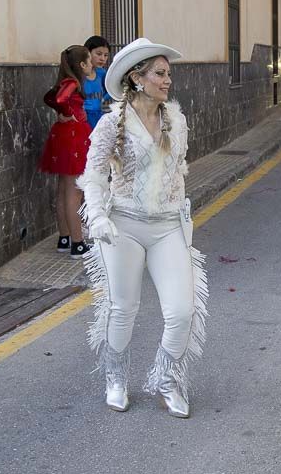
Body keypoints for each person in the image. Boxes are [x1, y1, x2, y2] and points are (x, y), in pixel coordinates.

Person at [79, 38, 207, 418]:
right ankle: (116, 378)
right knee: (122, 308)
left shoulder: (177, 121)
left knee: (182, 311)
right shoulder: (109, 124)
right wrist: (98, 217)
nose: (168, 81)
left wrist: (182, 216)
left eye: (169, 74)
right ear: (137, 78)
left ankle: (168, 379)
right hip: (124, 227)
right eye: (160, 74)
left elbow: (178, 172)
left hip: (168, 227)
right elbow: (93, 177)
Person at [40, 44, 93, 258]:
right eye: (89, 60)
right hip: (73, 136)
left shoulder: (64, 81)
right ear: (81, 64)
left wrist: (62, 113)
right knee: (74, 192)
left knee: (63, 189)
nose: (91, 65)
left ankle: (64, 237)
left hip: (63, 135)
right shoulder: (72, 82)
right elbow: (59, 99)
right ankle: (77, 243)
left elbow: (49, 97)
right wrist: (67, 112)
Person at [82, 35, 112, 128]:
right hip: (83, 119)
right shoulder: (79, 76)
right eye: (99, 54)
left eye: (106, 55)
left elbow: (108, 95)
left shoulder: (103, 74)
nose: (102, 58)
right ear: (87, 53)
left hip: (100, 119)